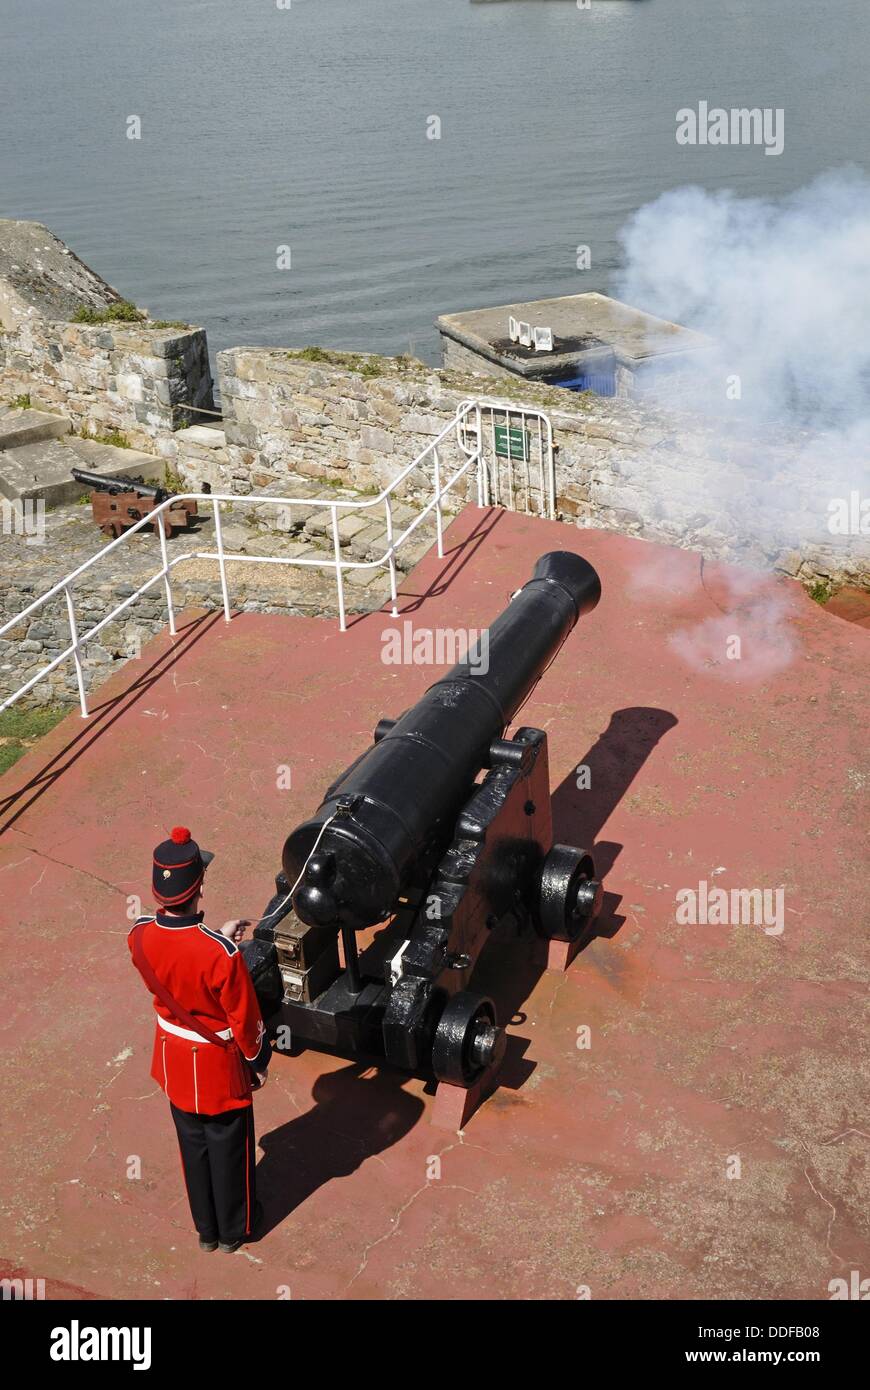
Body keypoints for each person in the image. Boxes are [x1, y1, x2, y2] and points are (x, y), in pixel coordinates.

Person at [128, 826, 271, 1253]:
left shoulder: (137, 935)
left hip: (173, 1057)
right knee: (230, 1147)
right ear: (200, 887)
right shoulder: (221, 954)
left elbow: (175, 959)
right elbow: (244, 1020)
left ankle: (206, 1230)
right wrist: (257, 1060)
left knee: (193, 1146)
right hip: (215, 1063)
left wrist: (219, 937)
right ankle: (236, 1230)